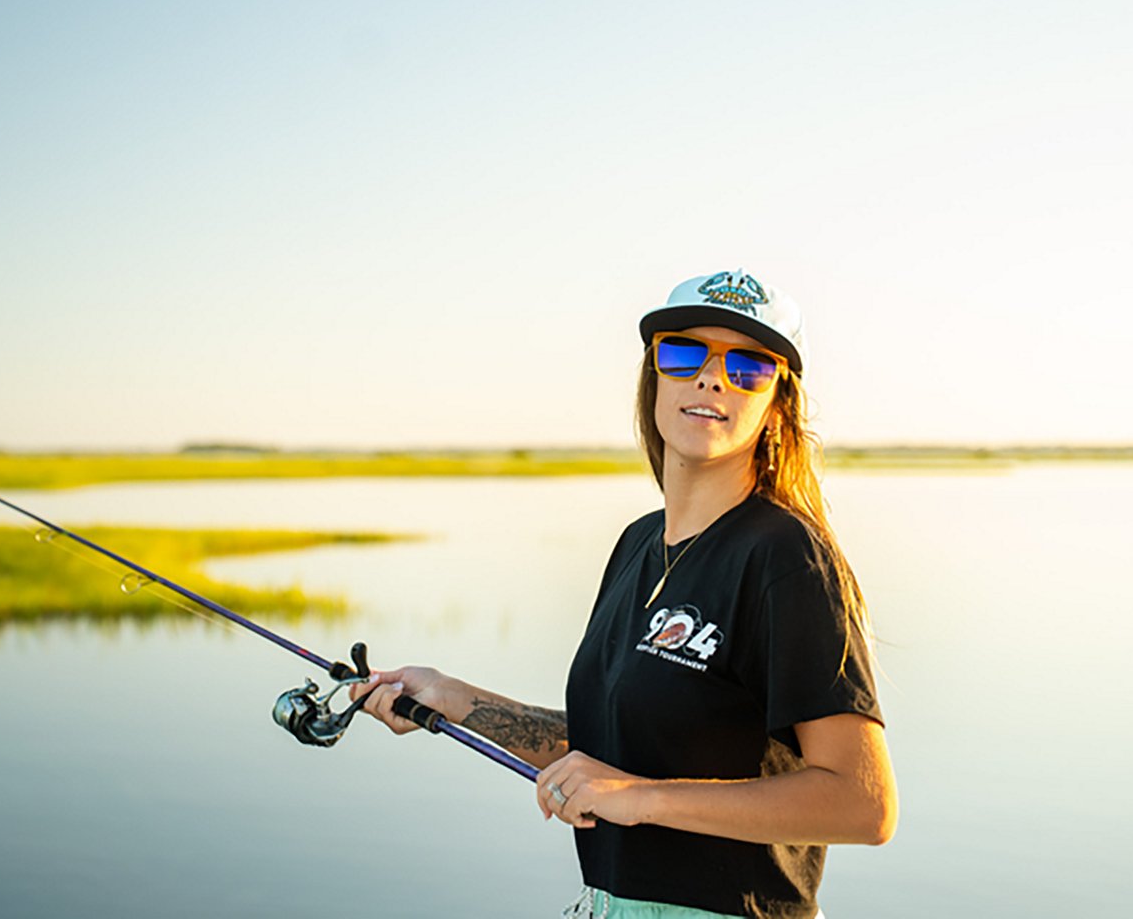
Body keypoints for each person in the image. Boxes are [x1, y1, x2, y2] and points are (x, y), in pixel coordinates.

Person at [351, 270, 898, 918]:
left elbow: (863, 805)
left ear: (778, 403)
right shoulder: (638, 544)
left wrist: (645, 798)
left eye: (748, 364)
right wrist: (458, 700)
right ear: (654, 376)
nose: (712, 377)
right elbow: (609, 757)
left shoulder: (785, 556)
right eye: (685, 351)